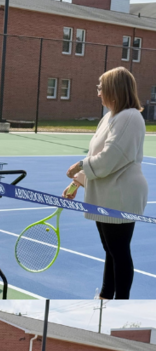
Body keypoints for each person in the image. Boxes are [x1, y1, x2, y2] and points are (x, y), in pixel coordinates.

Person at [64, 66, 147, 300]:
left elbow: (110, 157)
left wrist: (79, 166)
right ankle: (105, 295)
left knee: (119, 252)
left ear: (113, 89)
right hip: (106, 194)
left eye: (101, 87)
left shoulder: (130, 117)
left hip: (121, 195)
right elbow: (98, 153)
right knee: (110, 251)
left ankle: (120, 300)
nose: (98, 92)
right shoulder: (110, 117)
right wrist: (77, 182)